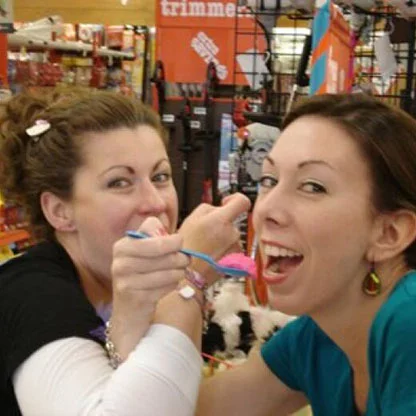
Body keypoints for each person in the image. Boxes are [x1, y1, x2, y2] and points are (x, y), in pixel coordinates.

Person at [0, 87, 250, 415]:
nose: (156, 202)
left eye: (160, 177)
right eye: (119, 183)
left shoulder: (123, 288)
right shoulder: (32, 292)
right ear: (60, 211)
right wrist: (189, 277)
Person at [196, 93, 416, 415]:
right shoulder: (320, 337)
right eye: (269, 180)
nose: (266, 208)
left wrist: (188, 279)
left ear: (389, 233)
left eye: (312, 187)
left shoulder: (408, 323)